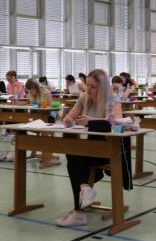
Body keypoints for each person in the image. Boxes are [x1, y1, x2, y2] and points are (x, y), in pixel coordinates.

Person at [56, 69, 131, 227]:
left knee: (74, 160)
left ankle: (79, 211)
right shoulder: (84, 97)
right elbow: (70, 116)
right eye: (87, 85)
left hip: (109, 149)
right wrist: (69, 120)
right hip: (91, 148)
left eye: (93, 87)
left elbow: (116, 123)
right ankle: (84, 190)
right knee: (72, 151)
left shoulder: (112, 100)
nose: (88, 90)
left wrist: (91, 120)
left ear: (102, 87)